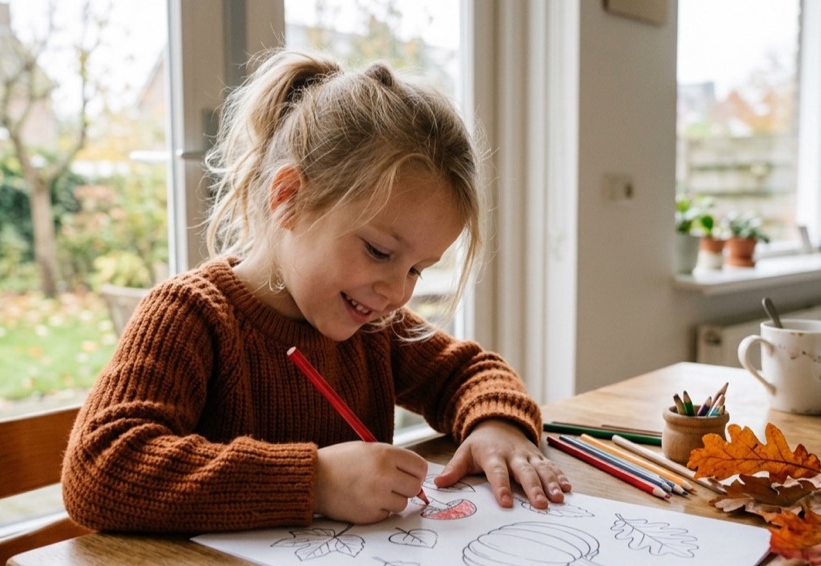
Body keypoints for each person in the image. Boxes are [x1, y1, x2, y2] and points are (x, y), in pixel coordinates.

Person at [62, 49, 569, 533]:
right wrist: (316, 482)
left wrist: (496, 425)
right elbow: (99, 469)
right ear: (288, 199)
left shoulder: (374, 327)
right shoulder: (192, 315)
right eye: (378, 251)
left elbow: (470, 372)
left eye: (418, 269)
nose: (397, 292)